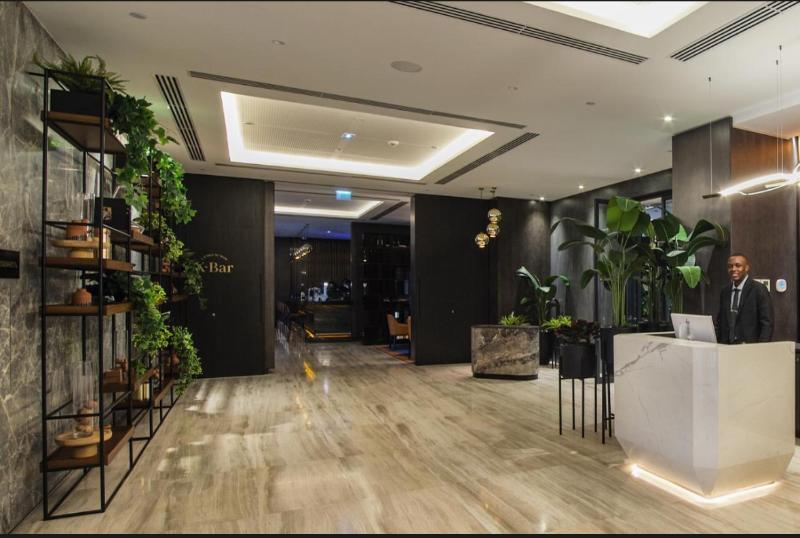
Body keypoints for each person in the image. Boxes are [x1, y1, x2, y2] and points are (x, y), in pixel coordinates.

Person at [715, 253, 773, 344]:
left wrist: (761, 348)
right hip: (727, 347)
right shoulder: (725, 291)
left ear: (746, 268)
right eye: (730, 266)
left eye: (738, 266)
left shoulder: (759, 289)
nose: (733, 269)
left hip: (750, 347)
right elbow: (720, 321)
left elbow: (767, 323)